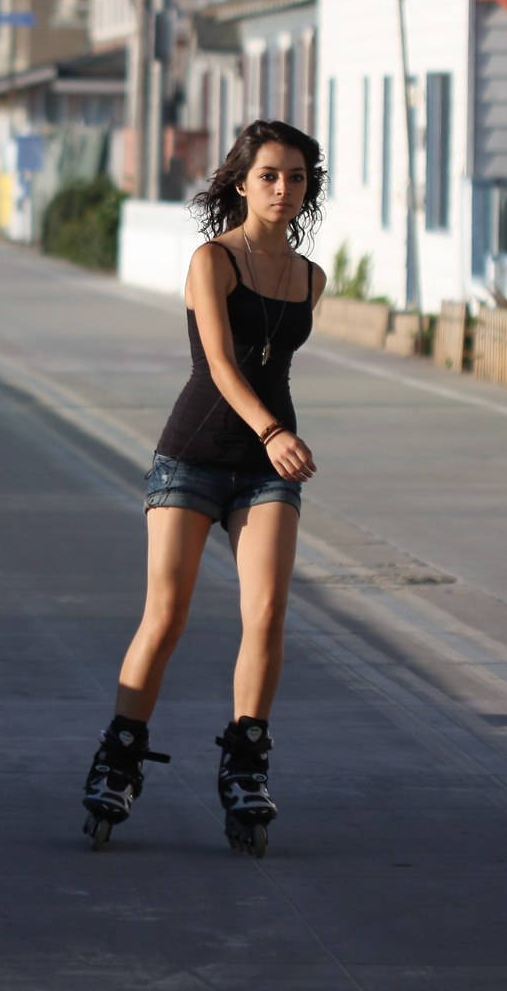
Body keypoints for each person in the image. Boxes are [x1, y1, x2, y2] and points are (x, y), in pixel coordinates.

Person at [81, 120, 328, 856]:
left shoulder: (311, 277)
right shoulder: (211, 259)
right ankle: (118, 754)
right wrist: (271, 431)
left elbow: (272, 365)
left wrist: (272, 443)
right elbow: (220, 365)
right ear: (240, 182)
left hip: (264, 468)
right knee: (167, 610)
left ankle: (246, 761)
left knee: (267, 613)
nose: (283, 190)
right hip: (193, 452)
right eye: (269, 176)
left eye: (296, 177)